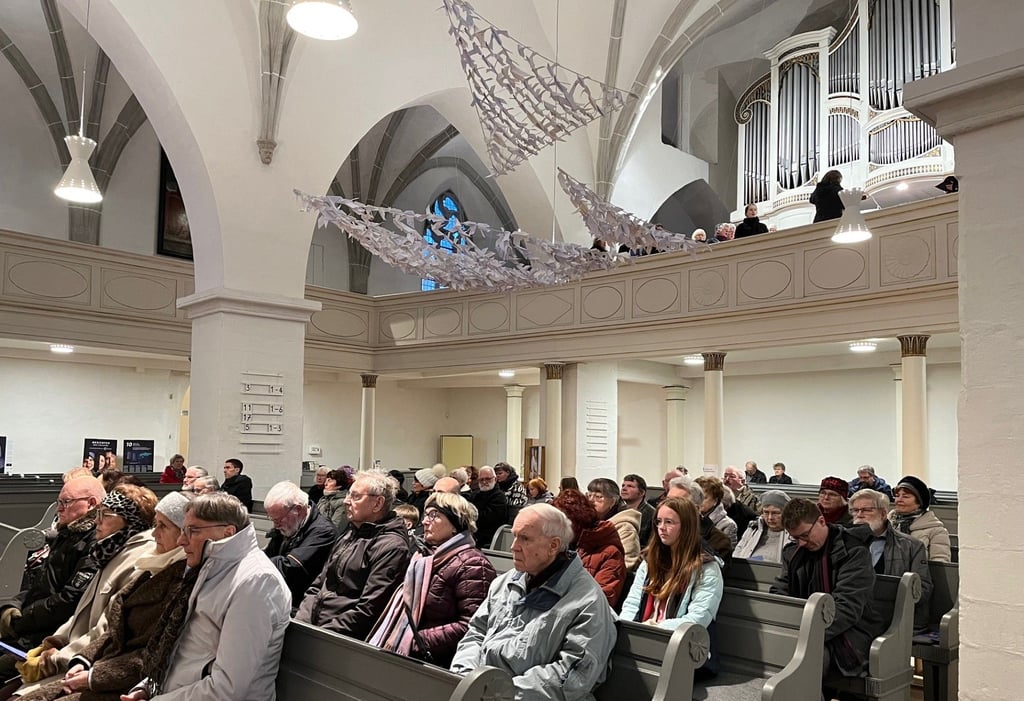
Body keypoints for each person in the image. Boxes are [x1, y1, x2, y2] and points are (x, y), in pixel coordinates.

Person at [15, 492, 190, 701]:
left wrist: (64, 661)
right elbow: (89, 613)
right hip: (85, 656)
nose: (97, 521)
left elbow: (110, 628)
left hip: (110, 671)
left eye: (106, 514)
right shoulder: (123, 554)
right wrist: (57, 645)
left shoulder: (146, 562)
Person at [121, 492, 291, 701]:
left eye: (192, 531)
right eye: (183, 530)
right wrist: (147, 688)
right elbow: (182, 646)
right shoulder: (209, 566)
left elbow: (229, 688)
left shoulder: (256, 582)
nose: (182, 540)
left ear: (228, 532)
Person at [450, 505, 617, 701]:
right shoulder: (506, 582)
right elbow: (476, 632)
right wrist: (465, 677)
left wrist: (498, 694)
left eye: (525, 538)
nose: (513, 546)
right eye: (514, 536)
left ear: (553, 546)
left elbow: (571, 678)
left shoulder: (587, 602)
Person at [368, 492, 496, 668]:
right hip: (410, 652)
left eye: (434, 515)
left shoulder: (472, 564)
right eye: (426, 514)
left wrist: (416, 641)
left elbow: (472, 626)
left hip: (436, 662)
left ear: (455, 524)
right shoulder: (423, 557)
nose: (425, 521)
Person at [0, 477, 105, 680]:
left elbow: (69, 601)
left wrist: (20, 622)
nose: (59, 509)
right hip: (32, 627)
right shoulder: (67, 534)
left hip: (48, 635)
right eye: (59, 502)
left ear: (91, 503)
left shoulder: (94, 542)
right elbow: (41, 584)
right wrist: (13, 606)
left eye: (66, 502)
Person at [771, 498, 885, 680]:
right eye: (795, 538)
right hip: (806, 628)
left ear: (821, 521)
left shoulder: (853, 551)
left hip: (850, 633)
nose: (800, 543)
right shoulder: (793, 553)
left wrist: (807, 634)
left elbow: (848, 607)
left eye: (805, 535)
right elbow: (780, 591)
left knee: (806, 662)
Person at [295, 471, 413, 641]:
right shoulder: (350, 533)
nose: (346, 501)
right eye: (349, 494)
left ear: (377, 503)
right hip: (314, 627)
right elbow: (319, 584)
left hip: (341, 640)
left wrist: (321, 635)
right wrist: (303, 621)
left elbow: (369, 609)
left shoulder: (391, 546)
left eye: (355, 496)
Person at [619, 498, 723, 675]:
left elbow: (697, 619)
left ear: (686, 527)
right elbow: (632, 604)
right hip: (644, 636)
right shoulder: (650, 562)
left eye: (669, 522)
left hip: (683, 647)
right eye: (658, 521)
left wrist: (655, 630)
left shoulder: (706, 568)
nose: (661, 527)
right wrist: (627, 631)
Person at [850, 489, 932, 632]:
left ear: (883, 514)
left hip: (892, 617)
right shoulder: (844, 543)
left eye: (866, 510)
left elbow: (922, 589)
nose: (859, 515)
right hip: (853, 615)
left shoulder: (911, 546)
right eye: (855, 510)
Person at [262, 481, 337, 612]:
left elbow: (291, 567)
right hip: (279, 599)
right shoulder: (290, 526)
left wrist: (255, 563)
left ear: (297, 509)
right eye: (272, 520)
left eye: (278, 519)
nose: (275, 525)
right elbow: (269, 555)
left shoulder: (324, 531)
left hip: (300, 606)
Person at [552, 489, 626, 608]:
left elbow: (602, 601)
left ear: (575, 522)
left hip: (583, 619)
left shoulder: (610, 553)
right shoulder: (562, 546)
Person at [665, 476, 732, 563]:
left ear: (695, 508)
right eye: (667, 501)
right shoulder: (661, 531)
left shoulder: (719, 542)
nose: (667, 508)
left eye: (677, 503)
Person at [888, 476, 952, 562]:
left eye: (905, 497)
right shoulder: (887, 522)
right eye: (897, 496)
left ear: (919, 502)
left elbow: (939, 563)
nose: (899, 500)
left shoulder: (936, 530)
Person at [586, 478, 641, 572]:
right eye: (589, 495)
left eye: (598, 497)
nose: (591, 500)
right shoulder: (589, 522)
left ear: (613, 501)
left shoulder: (625, 527)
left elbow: (628, 563)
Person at [733, 490, 792, 563]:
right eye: (766, 512)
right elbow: (739, 550)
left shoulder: (793, 534)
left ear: (786, 513)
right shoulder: (754, 527)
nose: (770, 518)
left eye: (776, 513)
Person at [465, 466, 508, 548]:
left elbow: (489, 519)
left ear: (495, 479)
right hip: (473, 533)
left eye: (488, 479)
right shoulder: (475, 495)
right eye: (481, 479)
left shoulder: (499, 496)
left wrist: (470, 514)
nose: (484, 482)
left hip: (488, 537)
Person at [694, 476, 738, 548]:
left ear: (715, 500)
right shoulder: (690, 517)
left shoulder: (728, 524)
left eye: (704, 498)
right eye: (697, 497)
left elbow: (725, 555)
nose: (699, 501)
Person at [620, 474, 655, 547]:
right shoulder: (619, 510)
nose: (624, 489)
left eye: (630, 486)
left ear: (642, 492)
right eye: (623, 485)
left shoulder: (651, 514)